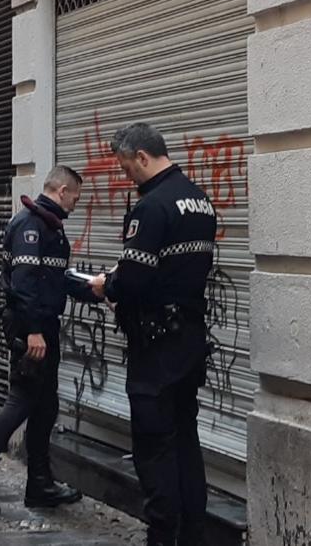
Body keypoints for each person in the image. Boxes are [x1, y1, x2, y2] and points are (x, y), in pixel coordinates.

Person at [87, 122, 217, 546]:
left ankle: (162, 536)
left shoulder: (151, 207)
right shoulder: (199, 201)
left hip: (157, 346)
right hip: (191, 339)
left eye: (126, 167)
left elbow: (138, 280)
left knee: (155, 447)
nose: (126, 176)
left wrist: (109, 285)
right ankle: (193, 535)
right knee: (186, 442)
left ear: (142, 157)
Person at [0, 165, 102, 518]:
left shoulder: (49, 226)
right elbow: (23, 282)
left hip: (44, 327)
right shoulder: (30, 226)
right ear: (62, 190)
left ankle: (40, 483)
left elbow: (55, 279)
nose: (76, 204)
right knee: (20, 402)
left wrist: (95, 291)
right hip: (29, 330)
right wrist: (32, 329)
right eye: (76, 196)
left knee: (45, 405)